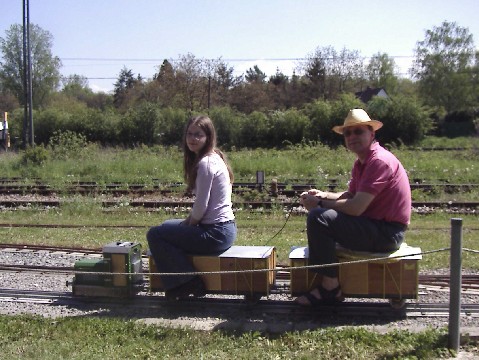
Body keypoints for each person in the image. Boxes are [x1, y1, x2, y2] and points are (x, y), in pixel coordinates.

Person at [295, 108, 411, 307]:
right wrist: (321, 194)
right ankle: (329, 281)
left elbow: (356, 207)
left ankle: (330, 287)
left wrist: (320, 204)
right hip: (374, 226)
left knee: (319, 218)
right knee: (321, 214)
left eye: (358, 131)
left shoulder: (379, 162)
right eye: (348, 133)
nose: (352, 137)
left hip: (387, 233)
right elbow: (350, 196)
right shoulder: (363, 162)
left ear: (371, 134)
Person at [147, 115, 237, 300]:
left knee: (155, 234)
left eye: (198, 134)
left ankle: (188, 283)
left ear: (208, 136)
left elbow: (201, 206)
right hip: (225, 229)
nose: (192, 139)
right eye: (189, 134)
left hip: (215, 233)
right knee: (167, 225)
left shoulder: (206, 164)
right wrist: (187, 222)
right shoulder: (216, 157)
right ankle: (181, 279)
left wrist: (190, 223)